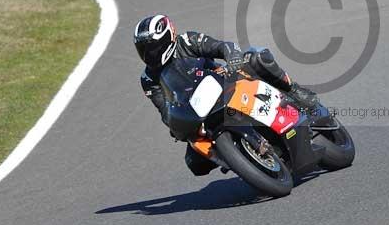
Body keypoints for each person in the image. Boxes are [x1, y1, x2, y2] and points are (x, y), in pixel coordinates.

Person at [133, 14, 319, 174]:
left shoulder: (187, 41)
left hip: (226, 81)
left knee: (257, 58)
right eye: (143, 49)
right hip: (198, 110)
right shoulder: (148, 79)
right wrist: (176, 126)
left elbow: (223, 47)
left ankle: (293, 90)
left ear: (168, 36)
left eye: (153, 47)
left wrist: (233, 59)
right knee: (195, 164)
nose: (149, 53)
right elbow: (164, 109)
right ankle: (239, 157)